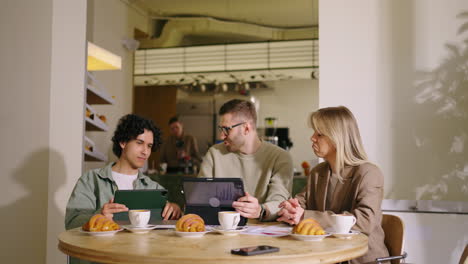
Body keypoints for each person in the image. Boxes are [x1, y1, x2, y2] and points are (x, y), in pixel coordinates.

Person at [276, 106, 389, 263]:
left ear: (337, 137)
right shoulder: (317, 172)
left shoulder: (368, 173)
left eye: (319, 134)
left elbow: (365, 221)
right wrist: (291, 208)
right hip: (327, 256)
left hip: (361, 260)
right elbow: (301, 203)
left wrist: (304, 215)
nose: (312, 138)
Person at [65, 114, 182, 231]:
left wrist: (175, 210)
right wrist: (98, 216)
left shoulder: (154, 187)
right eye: (139, 143)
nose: (145, 152)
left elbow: (171, 225)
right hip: (101, 249)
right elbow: (71, 223)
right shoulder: (91, 179)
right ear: (123, 142)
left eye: (149, 146)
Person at [198, 99, 293, 221]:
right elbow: (199, 198)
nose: (221, 136)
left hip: (264, 235)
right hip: (220, 231)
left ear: (246, 128)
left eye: (227, 129)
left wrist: (260, 210)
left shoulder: (280, 157)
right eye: (220, 129)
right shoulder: (214, 153)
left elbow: (280, 202)